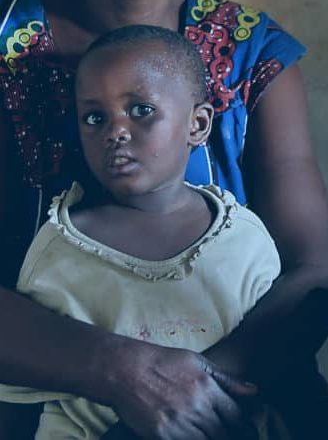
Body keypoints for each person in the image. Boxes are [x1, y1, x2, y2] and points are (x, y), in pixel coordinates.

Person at [0, 0, 328, 439]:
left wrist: (188, 392)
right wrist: (122, 373)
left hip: (228, 390)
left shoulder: (253, 55)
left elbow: (312, 277)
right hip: (34, 386)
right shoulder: (4, 36)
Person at [0, 24, 285, 439]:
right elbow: (20, 393)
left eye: (140, 110)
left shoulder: (241, 236)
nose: (115, 131)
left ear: (198, 124)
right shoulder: (60, 248)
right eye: (95, 118)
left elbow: (274, 361)